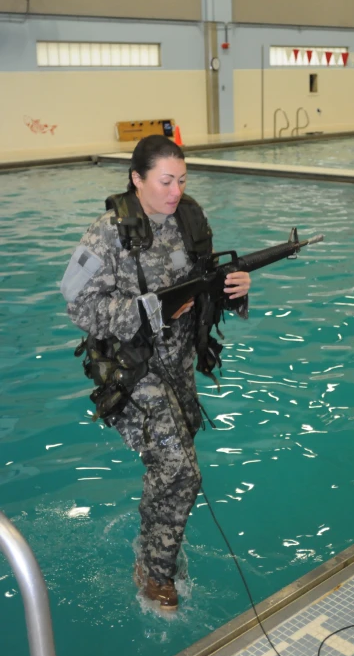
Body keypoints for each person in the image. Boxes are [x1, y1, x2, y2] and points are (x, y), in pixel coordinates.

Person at [60, 135, 251, 609]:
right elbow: (78, 305)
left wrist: (237, 289)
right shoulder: (108, 233)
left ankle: (151, 543)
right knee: (181, 471)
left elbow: (207, 282)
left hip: (177, 369)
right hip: (132, 370)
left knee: (170, 465)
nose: (175, 191)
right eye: (165, 181)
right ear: (137, 179)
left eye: (182, 180)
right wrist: (145, 312)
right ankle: (155, 573)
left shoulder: (189, 218)